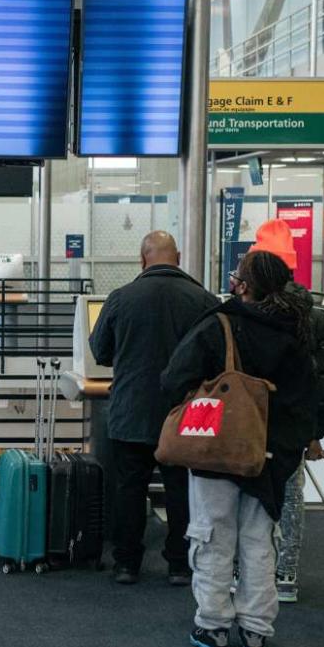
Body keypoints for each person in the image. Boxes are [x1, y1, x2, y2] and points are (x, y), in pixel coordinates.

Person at [161, 249, 316, 647]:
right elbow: (311, 400)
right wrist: (285, 445)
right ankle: (255, 631)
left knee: (211, 535)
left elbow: (174, 378)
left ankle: (212, 626)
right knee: (259, 540)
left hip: (217, 450)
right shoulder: (296, 330)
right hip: (270, 457)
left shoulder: (219, 326)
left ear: (242, 286)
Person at [89, 231, 218, 587]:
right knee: (181, 490)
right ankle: (179, 564)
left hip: (131, 411)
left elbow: (100, 352)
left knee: (129, 488)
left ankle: (127, 564)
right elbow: (216, 360)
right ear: (177, 256)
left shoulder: (121, 298)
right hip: (184, 414)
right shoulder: (204, 300)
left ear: (142, 259)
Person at [242, 220, 324, 604]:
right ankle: (286, 575)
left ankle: (243, 571)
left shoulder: (248, 312)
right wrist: (316, 431)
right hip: (294, 423)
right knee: (292, 497)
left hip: (252, 419)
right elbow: (322, 379)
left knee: (246, 495)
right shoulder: (313, 315)